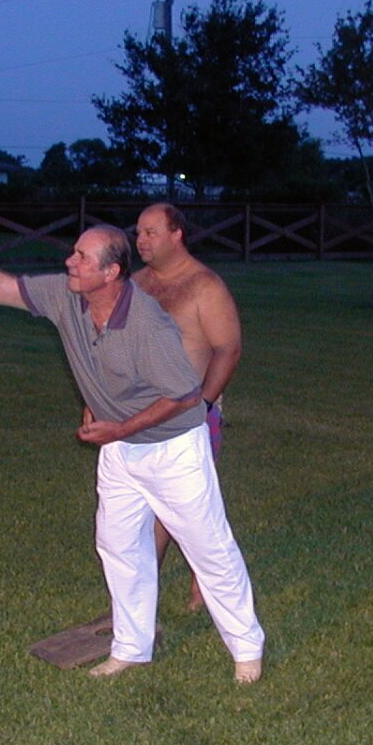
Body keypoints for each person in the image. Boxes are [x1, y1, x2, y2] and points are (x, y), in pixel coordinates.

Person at [0, 221, 265, 684]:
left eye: (81, 257)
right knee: (118, 545)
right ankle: (131, 648)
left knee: (209, 549)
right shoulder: (66, 297)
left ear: (111, 272)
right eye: (73, 252)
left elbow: (184, 396)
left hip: (173, 449)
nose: (69, 262)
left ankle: (247, 651)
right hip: (119, 450)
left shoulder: (147, 322)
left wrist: (120, 427)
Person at [131, 203, 243, 611]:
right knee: (143, 507)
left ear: (176, 234)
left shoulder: (204, 286)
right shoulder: (136, 283)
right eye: (138, 233)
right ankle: (139, 595)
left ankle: (208, 583)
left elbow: (228, 349)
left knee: (183, 509)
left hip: (189, 415)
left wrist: (204, 405)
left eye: (151, 232)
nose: (140, 240)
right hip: (138, 415)